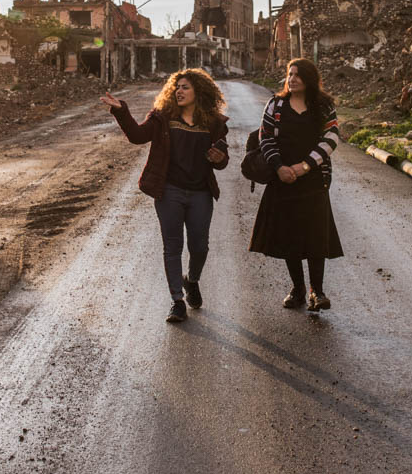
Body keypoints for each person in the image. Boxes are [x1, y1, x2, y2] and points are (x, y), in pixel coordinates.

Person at [102, 69, 229, 323]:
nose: (179, 92)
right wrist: (121, 110)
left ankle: (191, 281)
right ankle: (177, 301)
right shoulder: (162, 118)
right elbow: (138, 136)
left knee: (200, 246)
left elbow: (222, 161)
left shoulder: (213, 123)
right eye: (176, 87)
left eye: (185, 87)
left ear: (199, 92)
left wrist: (219, 158)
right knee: (172, 247)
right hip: (169, 191)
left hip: (200, 193)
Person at [249, 58, 343, 311]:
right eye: (290, 74)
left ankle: (318, 291)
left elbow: (331, 137)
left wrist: (304, 166)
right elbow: (265, 137)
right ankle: (298, 289)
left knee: (315, 237)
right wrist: (279, 167)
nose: (292, 79)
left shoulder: (323, 106)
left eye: (298, 75)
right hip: (282, 180)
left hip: (313, 180)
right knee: (289, 236)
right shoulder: (275, 104)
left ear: (309, 78)